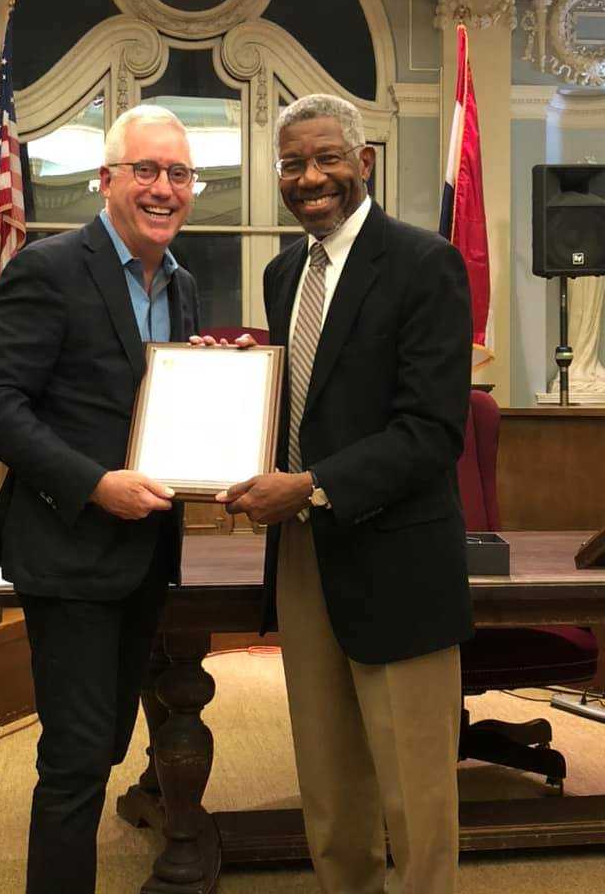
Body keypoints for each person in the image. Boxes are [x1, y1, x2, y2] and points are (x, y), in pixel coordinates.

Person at [216, 94, 474, 894]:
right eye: (293, 163)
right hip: (303, 554)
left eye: (327, 158)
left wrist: (314, 486)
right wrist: (234, 393)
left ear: (364, 162)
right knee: (328, 785)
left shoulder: (425, 263)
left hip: (397, 558)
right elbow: (309, 403)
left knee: (415, 797)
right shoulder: (282, 273)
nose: (310, 177)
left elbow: (431, 430)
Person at [0, 104, 200, 894]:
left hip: (144, 555)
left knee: (104, 746)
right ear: (107, 179)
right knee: (73, 762)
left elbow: (143, 400)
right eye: (146, 170)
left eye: (178, 173)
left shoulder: (182, 285)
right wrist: (93, 485)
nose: (163, 188)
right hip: (67, 553)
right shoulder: (50, 268)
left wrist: (199, 377)